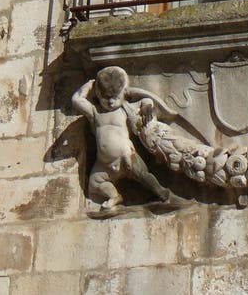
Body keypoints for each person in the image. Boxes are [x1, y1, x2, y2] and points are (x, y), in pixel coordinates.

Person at [72, 65, 178, 211]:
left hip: (126, 157)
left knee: (143, 175)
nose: (110, 102)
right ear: (98, 94)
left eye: (115, 98)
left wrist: (147, 107)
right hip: (104, 164)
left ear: (123, 94)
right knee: (94, 184)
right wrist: (89, 85)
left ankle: (162, 193)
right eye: (105, 98)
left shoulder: (125, 108)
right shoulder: (94, 112)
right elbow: (76, 100)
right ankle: (115, 196)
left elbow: (146, 100)